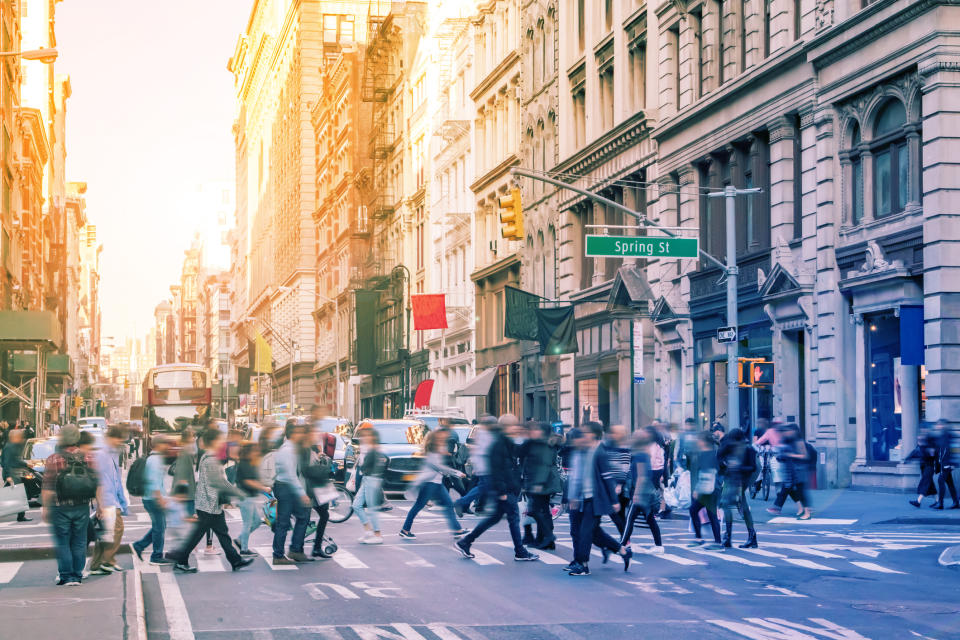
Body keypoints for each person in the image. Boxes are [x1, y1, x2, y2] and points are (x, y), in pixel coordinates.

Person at [167, 428, 253, 572]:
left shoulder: (208, 456)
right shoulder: (212, 459)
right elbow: (218, 482)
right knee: (198, 535)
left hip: (210, 504)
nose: (223, 442)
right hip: (208, 504)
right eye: (220, 439)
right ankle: (180, 557)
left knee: (222, 533)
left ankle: (235, 560)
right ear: (214, 441)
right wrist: (238, 492)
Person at [455, 414, 539, 562]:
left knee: (494, 518)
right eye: (514, 425)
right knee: (513, 518)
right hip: (504, 489)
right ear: (507, 427)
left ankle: (466, 541)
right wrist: (502, 492)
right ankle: (520, 551)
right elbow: (496, 468)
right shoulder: (498, 444)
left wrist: (530, 440)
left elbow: (518, 453)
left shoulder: (505, 440)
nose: (517, 428)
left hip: (507, 488)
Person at [563, 421, 630, 576]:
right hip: (581, 498)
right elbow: (577, 476)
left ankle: (583, 565)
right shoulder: (584, 450)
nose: (583, 436)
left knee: (586, 532)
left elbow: (608, 478)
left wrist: (614, 501)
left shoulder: (600, 452)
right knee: (592, 533)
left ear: (593, 434)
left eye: (586, 433)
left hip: (595, 499)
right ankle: (622, 551)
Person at [42, 425, 101, 586]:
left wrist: (46, 508)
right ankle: (77, 574)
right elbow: (98, 484)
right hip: (82, 506)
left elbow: (48, 486)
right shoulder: (89, 457)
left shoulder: (54, 459)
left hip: (60, 506)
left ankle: (66, 576)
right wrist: (100, 506)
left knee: (63, 541)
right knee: (80, 541)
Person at [400, 429, 467, 539]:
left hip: (437, 483)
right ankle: (405, 530)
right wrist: (457, 473)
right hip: (429, 484)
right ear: (435, 440)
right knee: (418, 506)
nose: (443, 440)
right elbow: (439, 467)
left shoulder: (438, 450)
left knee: (449, 505)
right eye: (440, 438)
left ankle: (457, 530)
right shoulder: (431, 452)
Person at [620, 428, 664, 566]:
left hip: (641, 492)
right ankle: (659, 545)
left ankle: (621, 544)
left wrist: (637, 494)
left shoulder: (640, 454)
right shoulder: (642, 452)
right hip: (645, 491)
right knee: (649, 519)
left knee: (629, 519)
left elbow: (641, 476)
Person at [271, 419, 313, 565]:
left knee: (302, 516)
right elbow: (290, 475)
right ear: (293, 434)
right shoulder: (288, 450)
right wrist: (302, 493)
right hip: (286, 488)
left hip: (286, 487)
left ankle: (295, 549)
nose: (302, 435)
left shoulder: (290, 448)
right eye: (299, 432)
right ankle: (279, 555)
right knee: (284, 522)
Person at [90, 426, 130, 574]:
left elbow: (115, 479)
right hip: (107, 499)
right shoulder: (102, 454)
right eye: (119, 439)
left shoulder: (111, 453)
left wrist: (122, 500)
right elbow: (98, 479)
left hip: (111, 498)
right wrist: (101, 503)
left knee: (105, 533)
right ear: (111, 438)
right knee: (116, 530)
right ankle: (107, 561)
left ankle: (96, 565)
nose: (120, 442)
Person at [132, 437, 174, 566]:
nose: (167, 447)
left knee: (159, 527)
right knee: (159, 528)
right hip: (153, 499)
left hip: (151, 498)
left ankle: (139, 546)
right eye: (165, 444)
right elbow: (153, 482)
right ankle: (156, 555)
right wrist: (160, 499)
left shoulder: (153, 459)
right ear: (158, 445)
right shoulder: (155, 460)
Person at [519, 421, 561, 549]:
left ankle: (548, 536)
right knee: (542, 510)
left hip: (542, 482)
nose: (533, 431)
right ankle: (544, 539)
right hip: (540, 481)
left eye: (536, 429)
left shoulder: (544, 444)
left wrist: (538, 483)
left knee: (535, 510)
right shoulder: (539, 443)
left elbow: (544, 465)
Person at [717, 427, 758, 549]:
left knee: (741, 506)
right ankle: (730, 537)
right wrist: (725, 464)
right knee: (728, 505)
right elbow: (719, 457)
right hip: (731, 479)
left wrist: (738, 467)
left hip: (741, 480)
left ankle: (748, 536)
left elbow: (753, 467)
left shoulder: (748, 449)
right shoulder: (729, 446)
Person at [453, 415, 496, 517]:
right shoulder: (487, 436)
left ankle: (463, 503)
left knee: (482, 488)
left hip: (483, 467)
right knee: (483, 488)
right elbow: (486, 452)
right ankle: (462, 503)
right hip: (486, 468)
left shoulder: (482, 434)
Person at [303, 426, 334, 558]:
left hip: (312, 489)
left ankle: (314, 547)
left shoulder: (309, 450)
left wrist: (319, 457)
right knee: (305, 519)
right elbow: (309, 471)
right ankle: (311, 547)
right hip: (309, 490)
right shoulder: (305, 451)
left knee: (320, 515)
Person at [687, 432, 723, 550]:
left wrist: (698, 490)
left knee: (700, 511)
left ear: (703, 442)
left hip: (709, 489)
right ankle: (703, 539)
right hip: (711, 489)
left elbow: (707, 475)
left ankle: (712, 541)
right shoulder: (710, 453)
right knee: (705, 513)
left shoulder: (708, 454)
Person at [233, 442, 270, 555]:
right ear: (249, 452)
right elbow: (248, 481)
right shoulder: (244, 464)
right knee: (247, 523)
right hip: (245, 497)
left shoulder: (249, 463)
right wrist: (263, 487)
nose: (257, 453)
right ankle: (244, 549)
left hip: (249, 497)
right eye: (255, 451)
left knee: (257, 521)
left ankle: (240, 540)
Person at [352, 428, 387, 543]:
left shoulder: (374, 451)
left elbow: (365, 467)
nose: (365, 438)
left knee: (372, 509)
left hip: (372, 480)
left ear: (373, 438)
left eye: (368, 436)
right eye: (364, 436)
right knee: (356, 505)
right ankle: (368, 531)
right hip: (367, 480)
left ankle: (377, 535)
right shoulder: (369, 449)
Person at [602, 424, 632, 536]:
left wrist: (619, 484)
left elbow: (624, 467)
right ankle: (625, 539)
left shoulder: (624, 447)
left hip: (619, 486)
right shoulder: (608, 445)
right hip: (611, 483)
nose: (613, 435)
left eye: (616, 433)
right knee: (618, 514)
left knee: (616, 512)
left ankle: (625, 538)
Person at [907, 427, 941, 509]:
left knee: (924, 483)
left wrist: (923, 447)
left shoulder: (930, 444)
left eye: (924, 432)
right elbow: (914, 453)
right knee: (931, 485)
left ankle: (918, 501)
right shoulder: (922, 445)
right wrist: (907, 459)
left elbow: (931, 456)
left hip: (929, 467)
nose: (921, 435)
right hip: (924, 467)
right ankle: (938, 501)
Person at [2, 429, 31, 522]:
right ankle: (21, 516)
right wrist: (8, 475)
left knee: (16, 494)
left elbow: (15, 460)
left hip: (13, 472)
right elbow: (5, 462)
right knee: (21, 494)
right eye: (19, 436)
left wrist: (26, 464)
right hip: (11, 473)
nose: (21, 438)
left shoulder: (12, 446)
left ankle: (21, 516)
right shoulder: (9, 447)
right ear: (14, 437)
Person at [932, 420, 959, 510]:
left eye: (938, 424)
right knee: (950, 483)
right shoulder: (942, 435)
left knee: (940, 481)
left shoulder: (948, 435)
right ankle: (956, 502)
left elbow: (954, 450)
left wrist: (952, 463)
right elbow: (940, 450)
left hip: (947, 464)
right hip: (944, 463)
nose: (937, 426)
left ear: (942, 425)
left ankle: (941, 504)